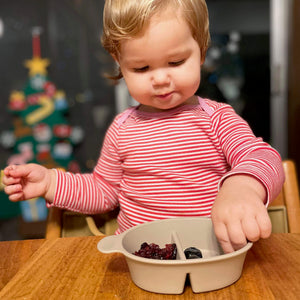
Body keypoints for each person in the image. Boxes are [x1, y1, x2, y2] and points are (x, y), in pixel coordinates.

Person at [2, 0, 284, 253]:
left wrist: (243, 188)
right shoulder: (122, 127)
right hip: (141, 261)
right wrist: (51, 183)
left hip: (211, 256)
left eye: (176, 61)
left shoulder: (217, 118)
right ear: (120, 64)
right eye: (141, 68)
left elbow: (263, 157)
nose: (160, 79)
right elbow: (104, 191)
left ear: (201, 52)